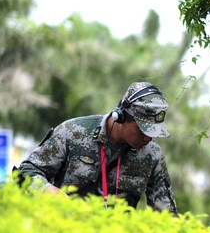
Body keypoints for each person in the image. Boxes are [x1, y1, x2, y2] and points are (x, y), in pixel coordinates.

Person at [17, 81, 178, 214]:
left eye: (154, 132)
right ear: (121, 116)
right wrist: (47, 191)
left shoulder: (153, 155)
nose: (148, 137)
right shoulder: (72, 132)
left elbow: (167, 216)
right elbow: (26, 172)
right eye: (143, 129)